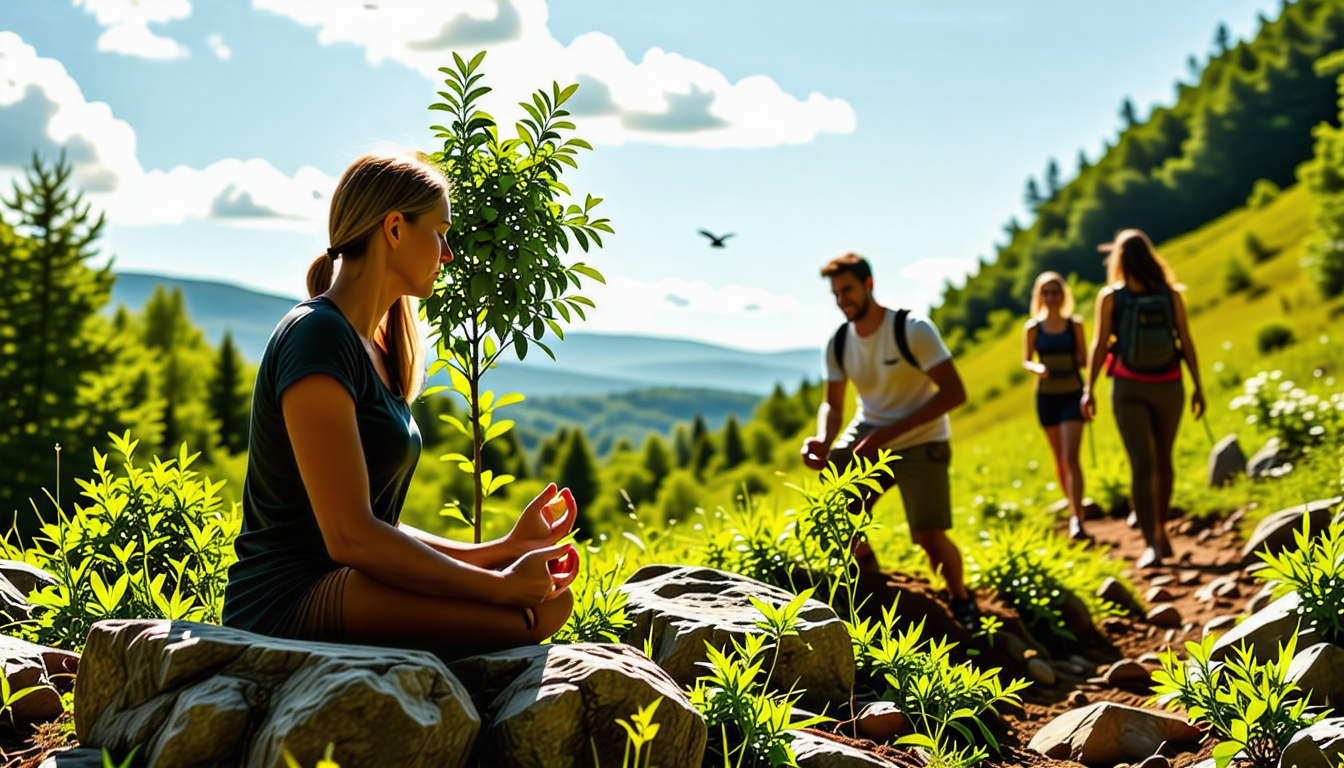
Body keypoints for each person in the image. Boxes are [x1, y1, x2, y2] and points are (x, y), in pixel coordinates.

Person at [223, 153, 577, 650]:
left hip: (350, 580)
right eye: (439, 232)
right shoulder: (317, 337)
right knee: (534, 613)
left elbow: (378, 527)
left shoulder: (379, 350)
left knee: (552, 601)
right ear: (394, 228)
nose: (448, 253)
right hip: (290, 601)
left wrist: (503, 550)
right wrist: (497, 586)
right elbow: (350, 536)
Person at [800, 253, 978, 630]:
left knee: (928, 536)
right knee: (838, 512)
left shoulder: (912, 329)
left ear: (868, 284)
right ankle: (872, 581)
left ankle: (961, 598)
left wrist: (888, 435)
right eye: (834, 293)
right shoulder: (839, 342)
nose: (841, 300)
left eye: (847, 290)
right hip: (869, 433)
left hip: (921, 438)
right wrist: (822, 439)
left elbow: (954, 392)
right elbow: (832, 405)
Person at [1081, 229, 1205, 569]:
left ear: (1119, 260)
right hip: (1170, 384)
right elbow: (1186, 340)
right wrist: (1198, 386)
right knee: (1163, 460)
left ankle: (1152, 540)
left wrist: (1088, 388)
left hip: (1128, 387)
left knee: (1142, 463)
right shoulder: (1170, 294)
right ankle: (1159, 531)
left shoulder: (1111, 296)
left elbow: (1100, 343)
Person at [1022, 271, 1090, 540]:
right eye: (1046, 293)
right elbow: (1026, 359)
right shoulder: (1032, 328)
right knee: (1059, 458)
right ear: (1040, 297)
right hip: (1046, 397)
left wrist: (1079, 363)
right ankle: (1073, 503)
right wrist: (1038, 367)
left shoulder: (1075, 325)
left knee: (1071, 456)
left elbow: (1083, 356)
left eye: (1055, 292)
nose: (1051, 297)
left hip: (1072, 393)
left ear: (1063, 296)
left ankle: (1077, 518)